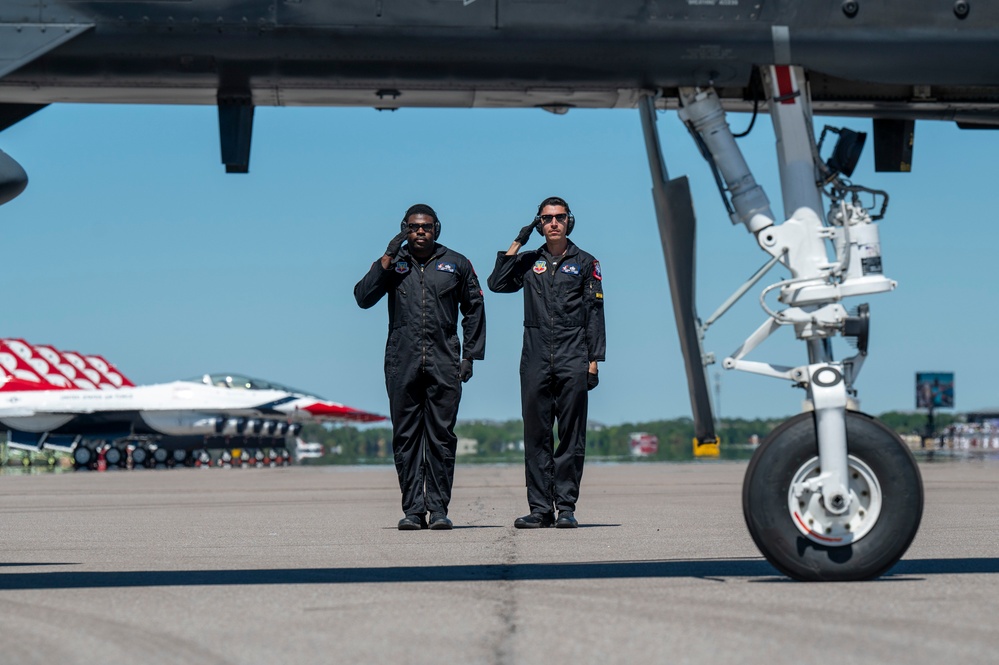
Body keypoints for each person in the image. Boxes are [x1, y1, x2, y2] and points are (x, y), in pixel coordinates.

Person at [354, 204, 485, 530]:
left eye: (426, 226)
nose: (420, 231)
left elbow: (475, 309)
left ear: (436, 228)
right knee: (407, 438)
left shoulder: (456, 264)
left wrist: (470, 355)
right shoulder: (393, 265)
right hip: (402, 362)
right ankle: (413, 511)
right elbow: (363, 297)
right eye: (413, 227)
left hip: (444, 362)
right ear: (404, 229)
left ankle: (439, 509)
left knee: (441, 438)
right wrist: (386, 257)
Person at [487, 196, 605, 529]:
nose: (553, 223)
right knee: (536, 435)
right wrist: (519, 240)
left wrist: (594, 361)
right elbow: (496, 283)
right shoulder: (527, 262)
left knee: (570, 436)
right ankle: (540, 509)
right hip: (536, 356)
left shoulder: (585, 263)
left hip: (573, 355)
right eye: (546, 219)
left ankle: (565, 507)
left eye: (559, 217)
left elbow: (594, 314)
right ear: (539, 224)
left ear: (569, 221)